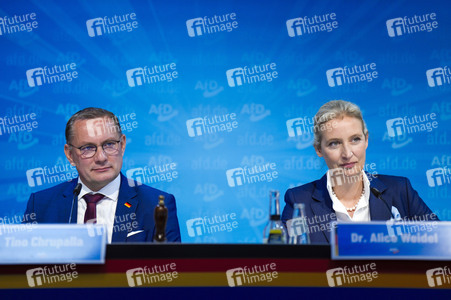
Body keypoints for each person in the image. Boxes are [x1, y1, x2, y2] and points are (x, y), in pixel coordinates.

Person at [282, 100, 438, 244]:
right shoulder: (299, 200)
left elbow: (441, 244)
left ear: (366, 140)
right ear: (318, 149)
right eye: (334, 143)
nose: (347, 153)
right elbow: (288, 263)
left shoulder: (400, 190)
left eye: (355, 139)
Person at [23, 107, 181, 243]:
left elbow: (170, 272)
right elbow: (23, 269)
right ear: (70, 154)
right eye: (87, 148)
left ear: (123, 145)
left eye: (109, 144)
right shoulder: (41, 204)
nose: (101, 157)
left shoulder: (156, 205)